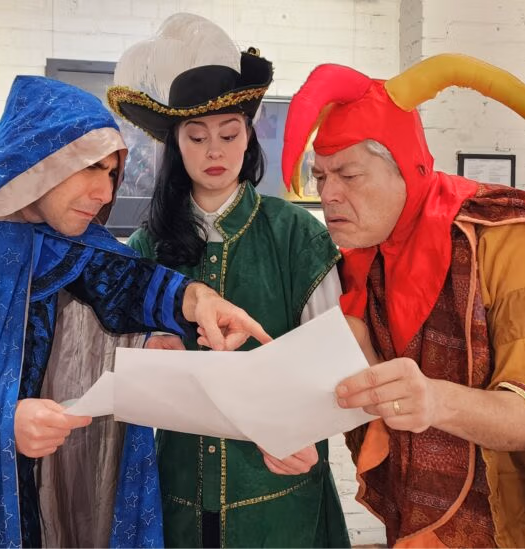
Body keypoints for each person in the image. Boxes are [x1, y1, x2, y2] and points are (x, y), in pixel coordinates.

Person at [0, 75, 270, 548]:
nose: (105, 193)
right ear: (40, 155)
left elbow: (118, 280)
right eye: (91, 167)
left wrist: (197, 300)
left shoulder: (51, 229)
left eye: (112, 174)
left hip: (15, 495)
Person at [282, 54, 525, 547]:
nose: (328, 194)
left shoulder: (512, 241)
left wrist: (437, 400)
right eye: (320, 177)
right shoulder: (362, 262)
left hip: (509, 530)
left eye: (348, 175)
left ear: (405, 168)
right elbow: (368, 398)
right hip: (412, 525)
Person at [107, 13, 350, 548]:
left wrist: (307, 427)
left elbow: (335, 355)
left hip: (278, 487)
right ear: (177, 145)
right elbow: (119, 359)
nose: (214, 151)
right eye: (196, 137)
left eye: (228, 133)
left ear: (249, 137)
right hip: (178, 491)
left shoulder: (296, 234)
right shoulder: (148, 245)